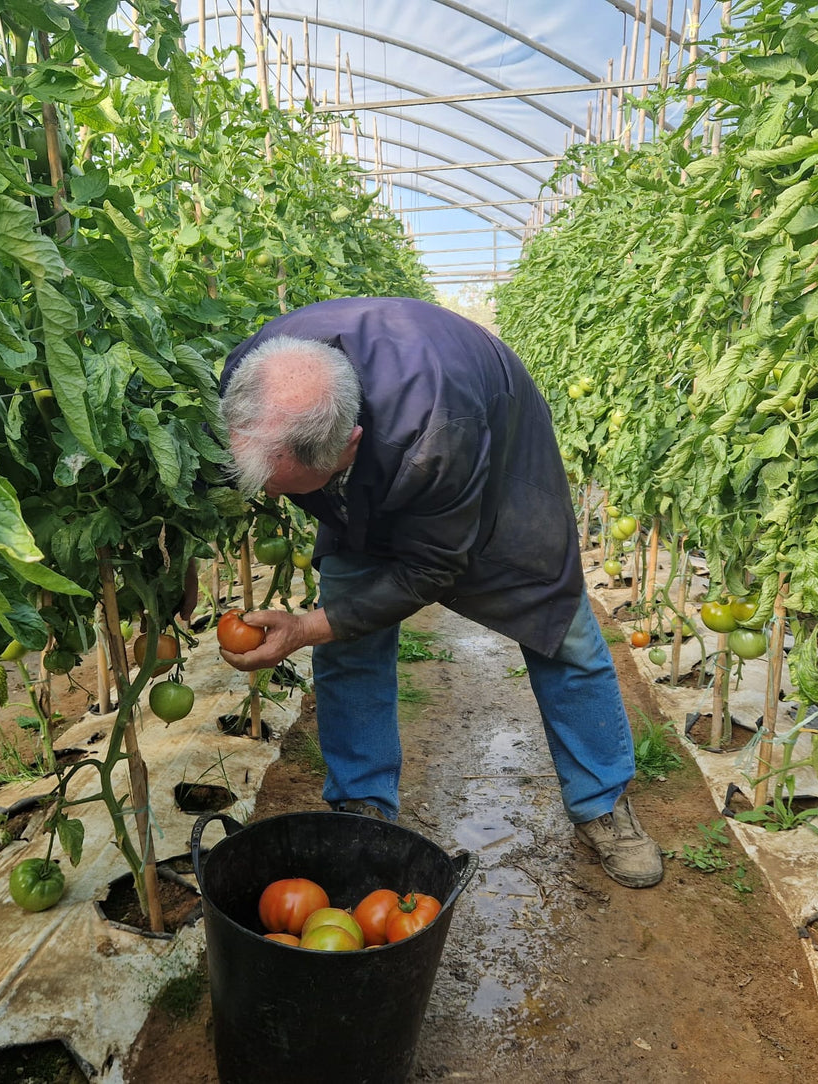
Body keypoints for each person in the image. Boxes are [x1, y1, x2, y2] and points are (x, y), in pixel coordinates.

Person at [215, 297, 662, 889]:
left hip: (496, 450)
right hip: (379, 454)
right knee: (349, 639)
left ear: (349, 445)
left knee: (564, 632)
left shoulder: (438, 435)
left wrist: (305, 628)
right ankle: (362, 803)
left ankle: (602, 803)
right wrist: (330, 615)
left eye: (288, 488)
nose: (273, 499)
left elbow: (431, 568)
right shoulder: (253, 377)